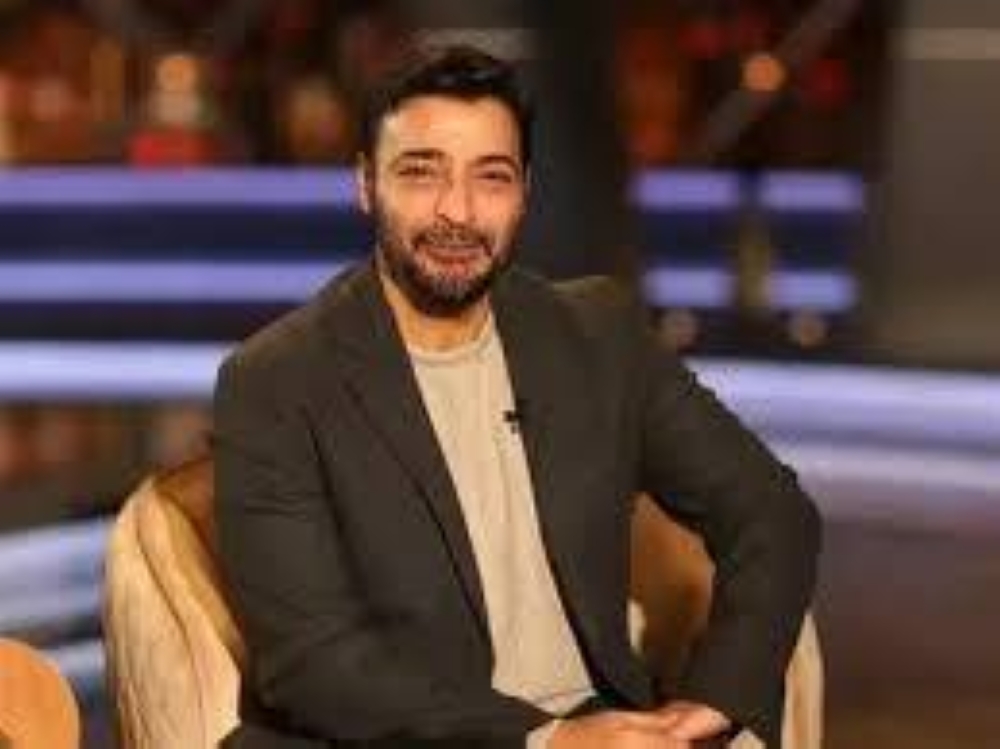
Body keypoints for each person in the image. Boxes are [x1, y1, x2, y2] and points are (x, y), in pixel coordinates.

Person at [213, 45, 821, 749]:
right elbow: (316, 665)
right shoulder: (276, 379)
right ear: (366, 184)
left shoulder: (597, 333)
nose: (458, 211)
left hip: (607, 721)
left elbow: (771, 510)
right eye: (422, 172)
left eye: (491, 177)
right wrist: (549, 741)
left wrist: (716, 697)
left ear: (525, 192)